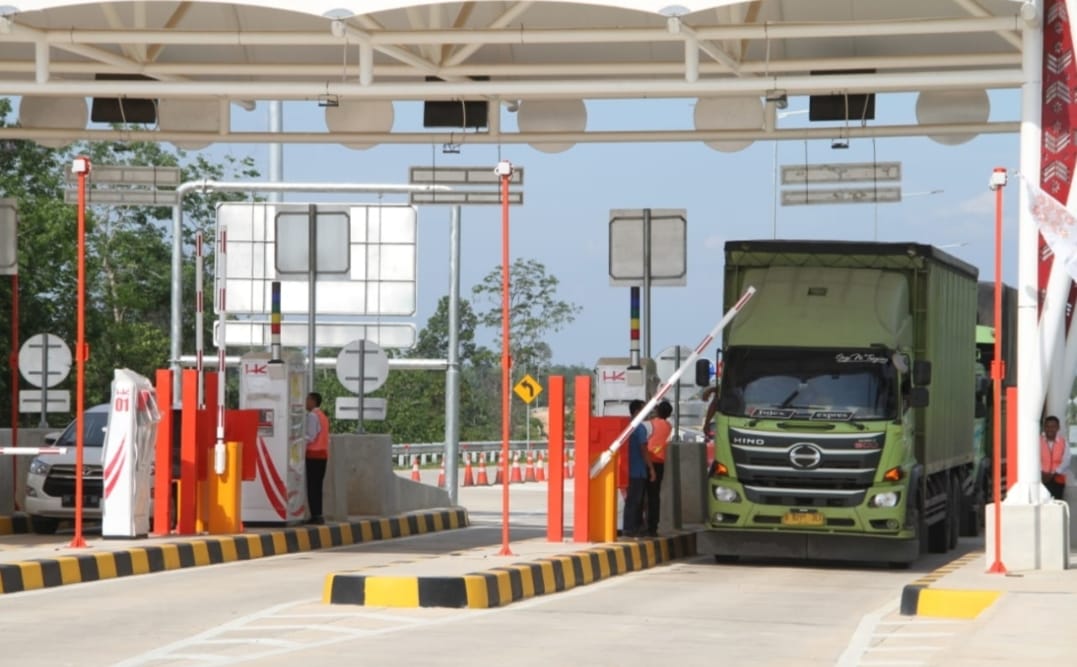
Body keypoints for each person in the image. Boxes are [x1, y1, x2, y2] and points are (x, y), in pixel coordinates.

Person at [622, 399, 655, 539]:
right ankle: (631, 529)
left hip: (627, 469)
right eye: (644, 409)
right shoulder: (639, 428)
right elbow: (644, 450)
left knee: (631, 501)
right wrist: (651, 469)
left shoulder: (626, 426)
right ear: (637, 412)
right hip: (638, 470)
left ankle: (631, 528)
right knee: (636, 501)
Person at [644, 400, 673, 537]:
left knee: (643, 495)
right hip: (660, 463)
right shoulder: (668, 426)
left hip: (647, 462)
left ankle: (643, 525)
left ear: (657, 411)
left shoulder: (650, 424)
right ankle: (653, 526)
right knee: (654, 496)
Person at [305, 391, 330, 524]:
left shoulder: (312, 416)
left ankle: (315, 515)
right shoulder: (323, 416)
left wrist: (296, 440)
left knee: (312, 486)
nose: (305, 402)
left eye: (307, 399)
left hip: (313, 455)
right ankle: (318, 514)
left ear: (314, 401)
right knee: (317, 486)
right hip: (323, 455)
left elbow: (311, 436)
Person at [1040, 415, 1071, 500]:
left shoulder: (1063, 442)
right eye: (1047, 426)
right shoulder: (1038, 441)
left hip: (1058, 479)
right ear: (1044, 427)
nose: (1050, 429)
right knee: (1042, 504)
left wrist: (1054, 473)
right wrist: (1042, 472)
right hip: (1041, 478)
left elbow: (1066, 460)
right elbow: (1034, 458)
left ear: (1058, 428)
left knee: (1057, 503)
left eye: (1053, 426)